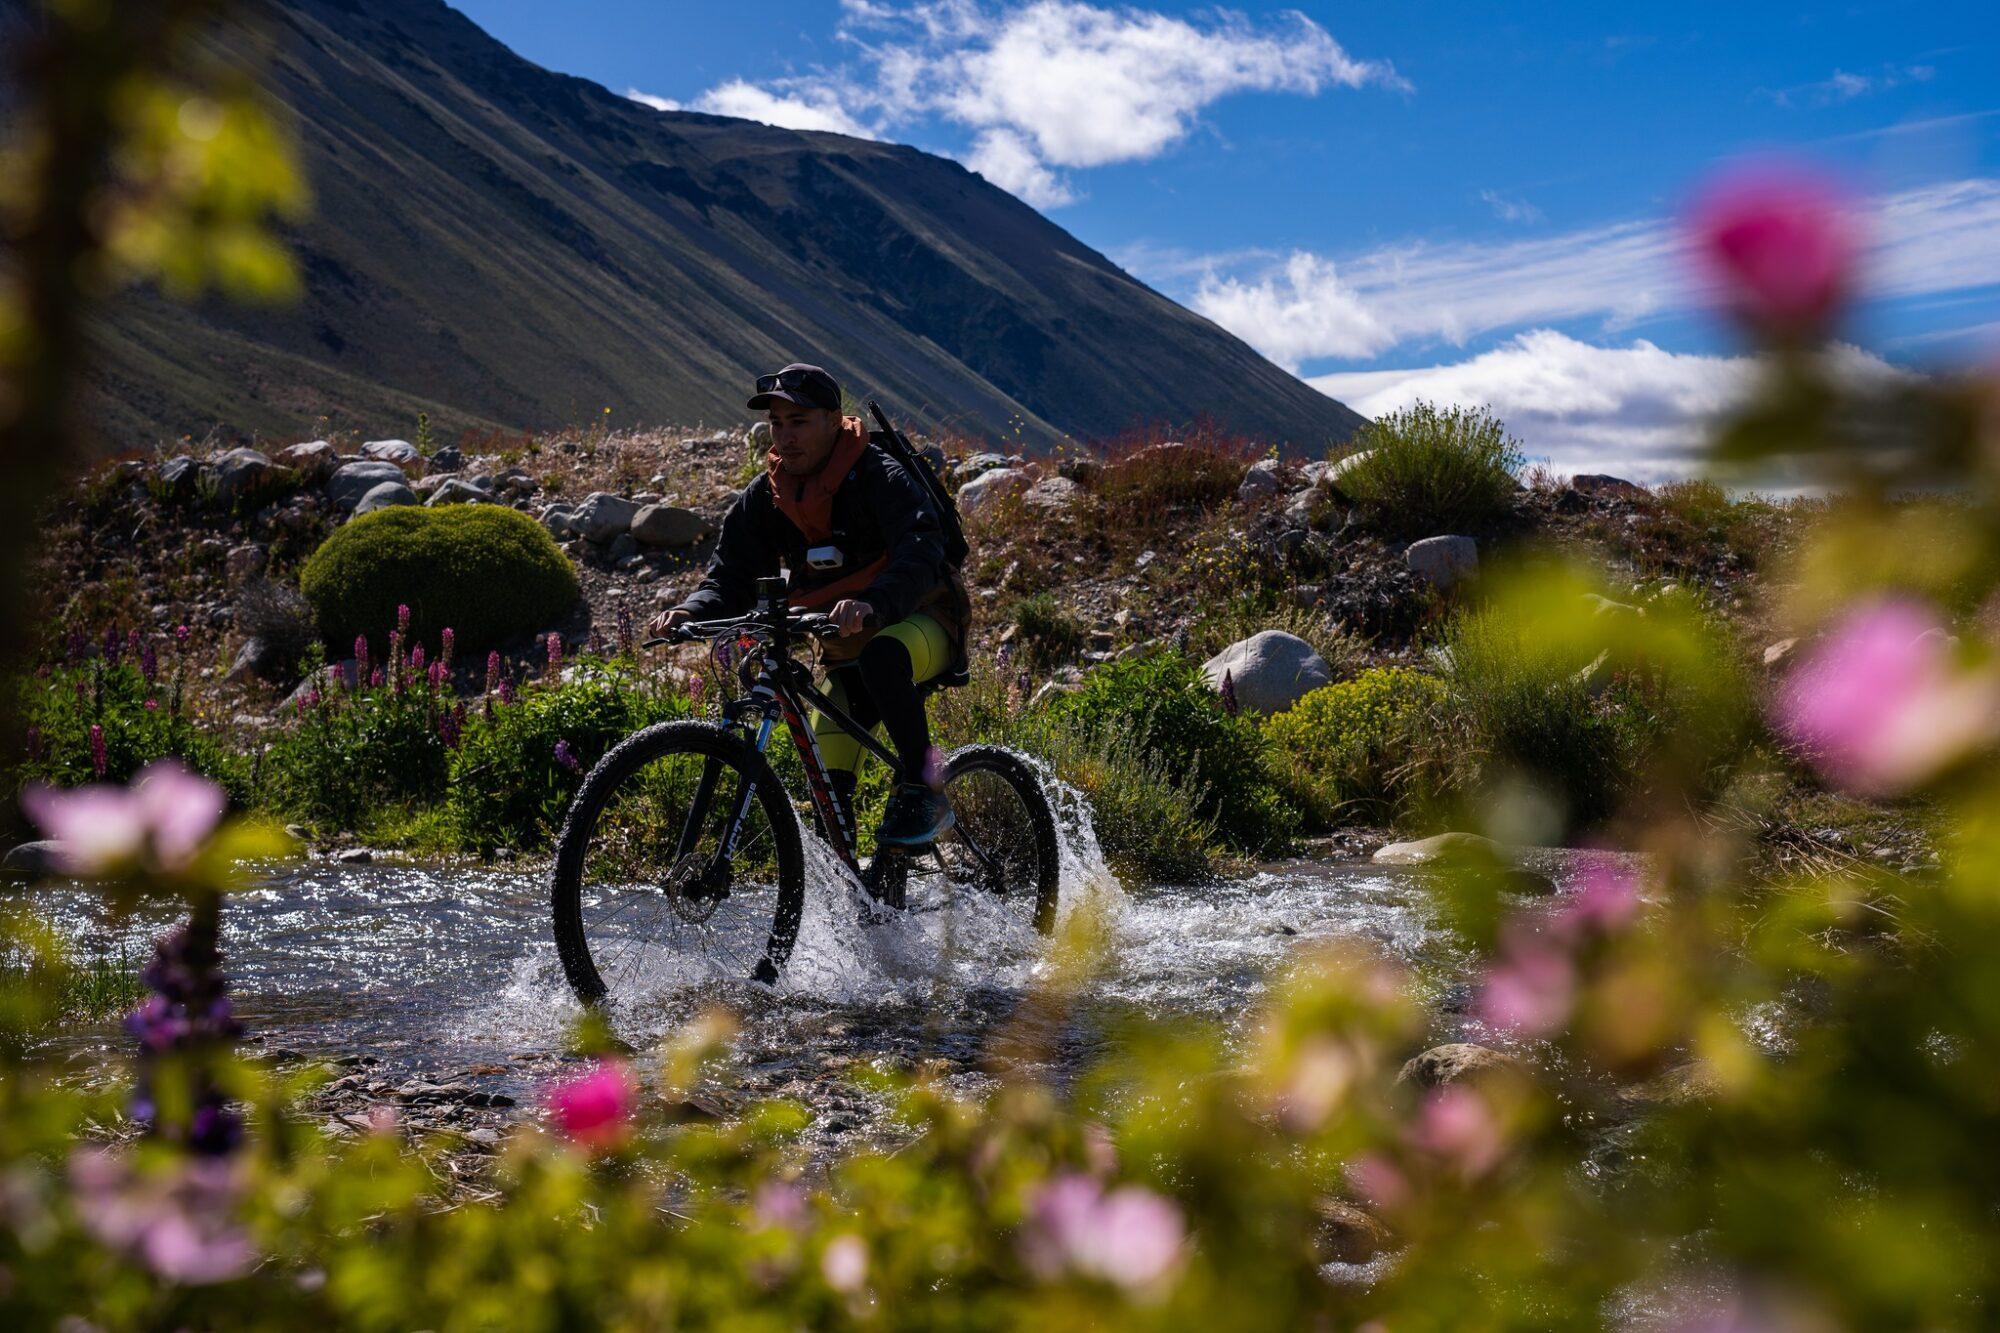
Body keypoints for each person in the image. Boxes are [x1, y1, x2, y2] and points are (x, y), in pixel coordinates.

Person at [650, 363, 967, 848]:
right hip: (844, 654)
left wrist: (874, 603)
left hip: (923, 621)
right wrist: (693, 611)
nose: (785, 436)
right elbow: (730, 573)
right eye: (777, 424)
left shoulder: (878, 475)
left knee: (884, 656)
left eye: (798, 421)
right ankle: (867, 909)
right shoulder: (767, 496)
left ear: (834, 419)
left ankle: (926, 793)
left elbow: (921, 546)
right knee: (828, 797)